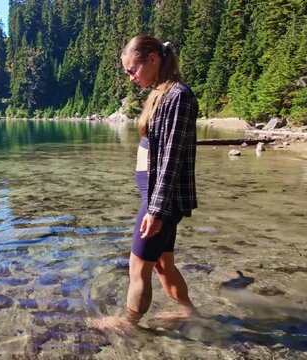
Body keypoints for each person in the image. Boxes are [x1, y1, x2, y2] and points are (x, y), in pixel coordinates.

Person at [91, 35, 199, 331]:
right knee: (164, 264)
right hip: (157, 199)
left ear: (152, 59)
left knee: (138, 268)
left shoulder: (178, 96)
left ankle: (129, 323)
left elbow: (171, 158)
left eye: (132, 70)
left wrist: (156, 209)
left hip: (160, 202)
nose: (131, 77)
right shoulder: (162, 94)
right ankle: (190, 313)